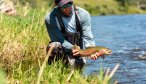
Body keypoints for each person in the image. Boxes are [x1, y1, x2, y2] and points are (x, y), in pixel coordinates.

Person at [45, 0, 105, 69]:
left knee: (74, 69)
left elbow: (88, 37)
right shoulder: (50, 18)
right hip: (63, 52)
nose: (68, 7)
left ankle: (74, 67)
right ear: (57, 5)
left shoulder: (83, 14)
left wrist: (93, 51)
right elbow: (59, 39)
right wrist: (72, 48)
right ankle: (54, 71)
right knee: (53, 46)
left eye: (70, 3)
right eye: (64, 6)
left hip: (79, 55)